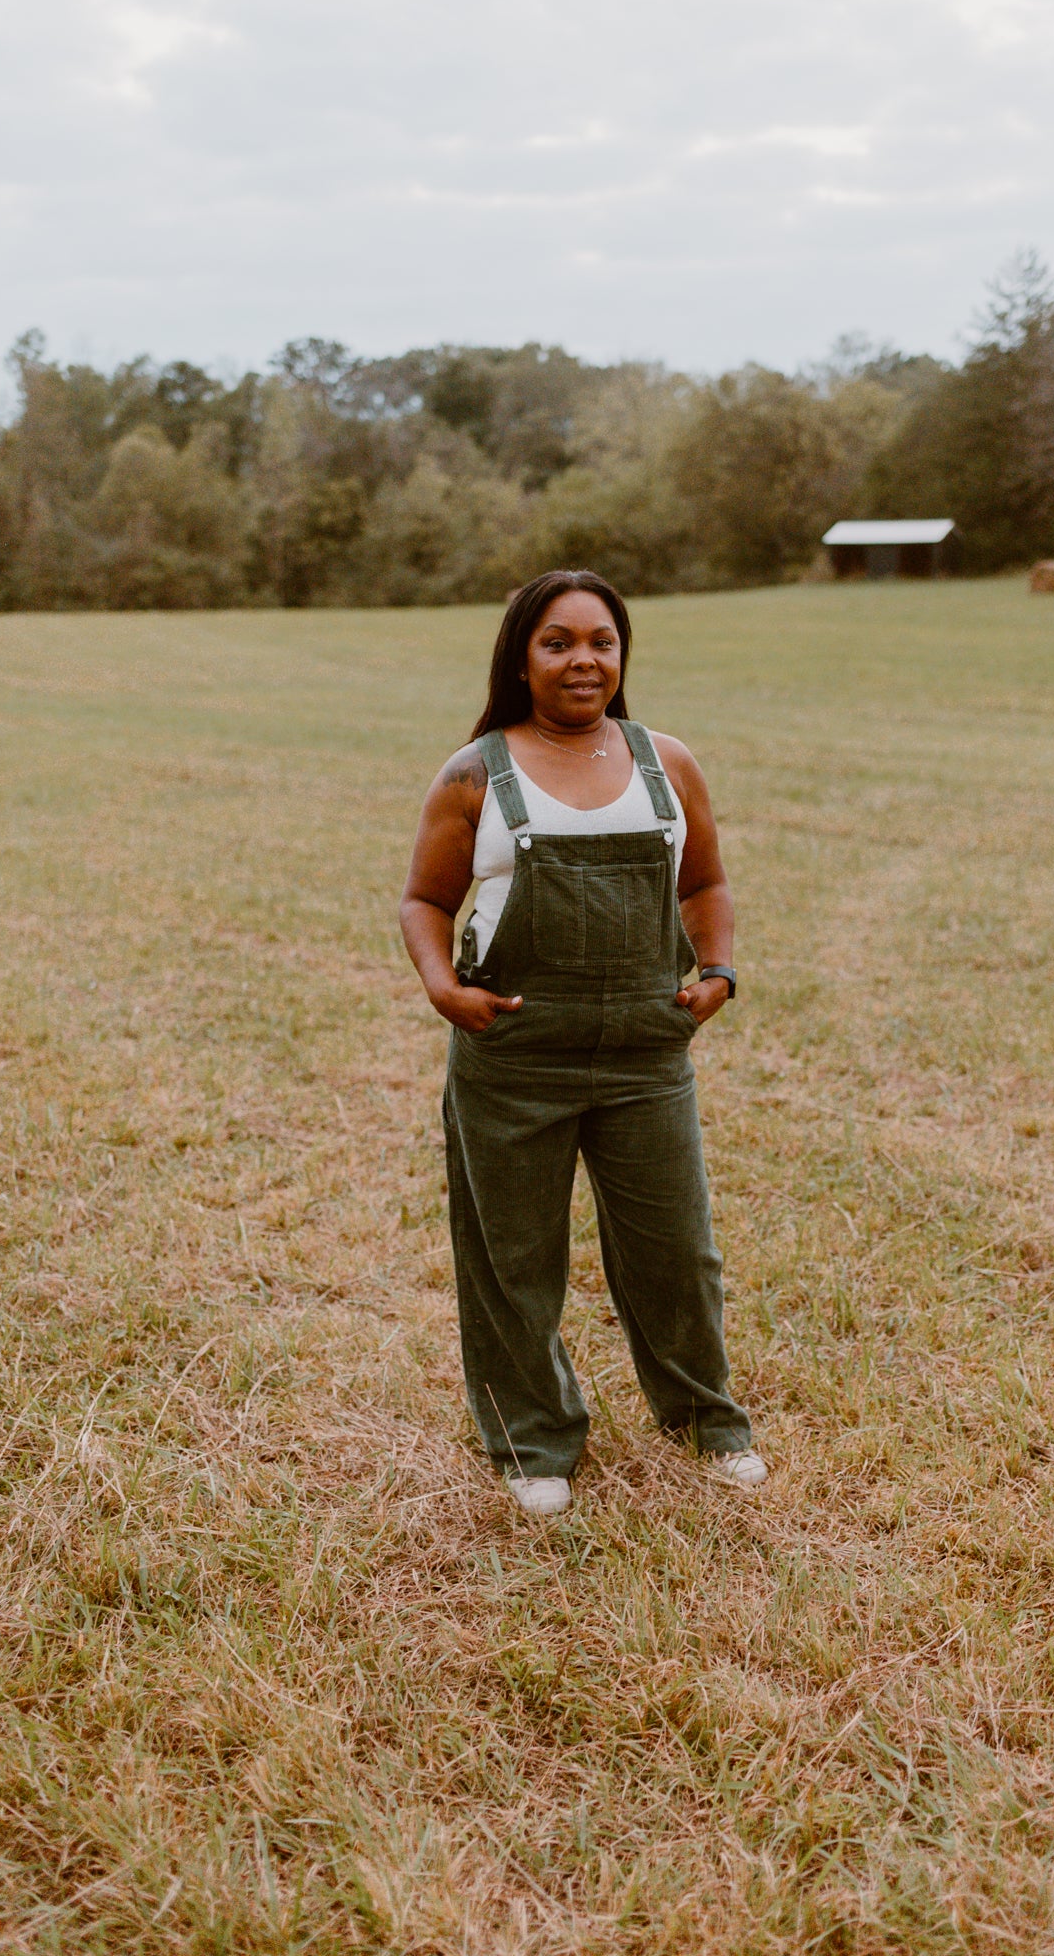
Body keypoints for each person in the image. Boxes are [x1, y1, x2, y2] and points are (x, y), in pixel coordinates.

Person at [399, 569, 767, 1517]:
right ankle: (533, 1440)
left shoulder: (665, 762)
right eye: (557, 642)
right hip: (516, 1053)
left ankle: (706, 1422)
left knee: (675, 1250)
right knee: (512, 1256)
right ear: (521, 660)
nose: (582, 660)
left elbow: (709, 885)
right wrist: (444, 989)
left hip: (647, 1051)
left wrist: (718, 973)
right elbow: (426, 901)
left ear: (622, 654)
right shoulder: (475, 773)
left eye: (600, 641)